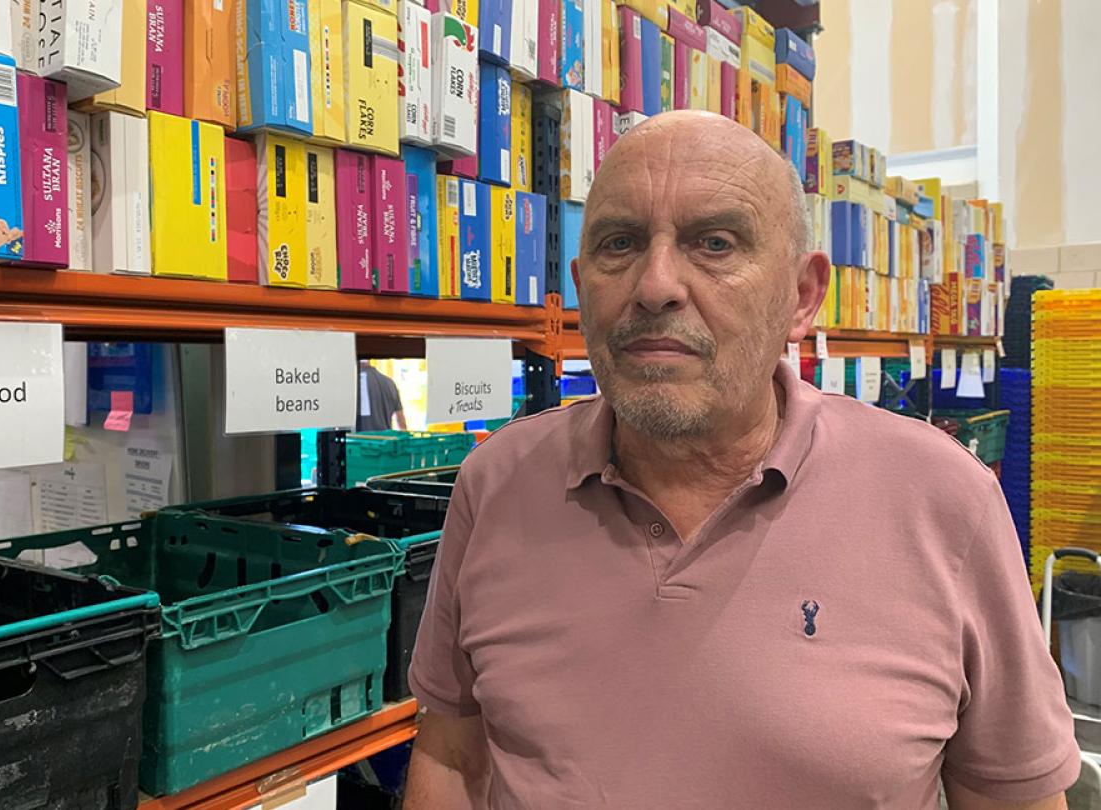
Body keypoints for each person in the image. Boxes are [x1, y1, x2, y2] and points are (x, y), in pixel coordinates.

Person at [403, 112, 1078, 810]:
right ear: (581, 288)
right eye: (620, 243)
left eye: (715, 244)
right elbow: (452, 751)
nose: (655, 284)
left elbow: (1012, 797)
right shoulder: (498, 482)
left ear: (801, 296)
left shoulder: (943, 500)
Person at [358, 360, 407, 431]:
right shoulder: (389, 383)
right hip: (385, 440)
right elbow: (401, 421)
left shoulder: (352, 383)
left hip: (356, 441)